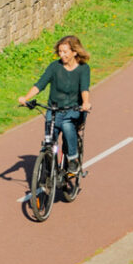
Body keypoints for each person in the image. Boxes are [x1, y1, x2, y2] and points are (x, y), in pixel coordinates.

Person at [17, 35, 91, 174]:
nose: (62, 55)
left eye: (65, 51)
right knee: (49, 140)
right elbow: (40, 84)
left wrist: (85, 103)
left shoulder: (83, 68)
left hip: (74, 109)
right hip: (55, 109)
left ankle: (73, 160)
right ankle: (49, 166)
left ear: (75, 52)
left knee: (67, 125)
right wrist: (26, 98)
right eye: (60, 52)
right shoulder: (54, 67)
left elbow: (84, 88)